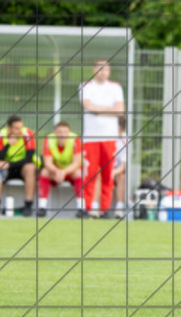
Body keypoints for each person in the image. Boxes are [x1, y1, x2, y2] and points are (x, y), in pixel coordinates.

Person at [80, 60, 124, 218]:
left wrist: (98, 110)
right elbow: (88, 106)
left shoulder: (115, 87)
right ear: (94, 70)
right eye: (100, 69)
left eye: (106, 69)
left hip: (109, 138)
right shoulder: (85, 86)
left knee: (108, 174)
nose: (103, 72)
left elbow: (120, 110)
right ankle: (88, 207)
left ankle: (105, 209)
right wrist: (109, 109)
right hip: (91, 138)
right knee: (90, 173)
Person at [0, 114, 37, 216]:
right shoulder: (0, 135)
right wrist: (7, 145)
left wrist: (10, 164)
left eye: (20, 127)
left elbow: (29, 158)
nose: (19, 131)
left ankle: (28, 205)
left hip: (21, 168)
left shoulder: (28, 134)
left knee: (30, 167)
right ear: (9, 128)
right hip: (5, 170)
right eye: (16, 128)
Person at [38, 121, 84, 218]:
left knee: (78, 173)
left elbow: (76, 163)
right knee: (44, 172)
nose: (62, 134)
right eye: (59, 132)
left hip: (69, 171)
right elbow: (47, 163)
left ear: (69, 133)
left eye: (65, 132)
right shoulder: (49, 139)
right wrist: (58, 172)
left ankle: (81, 208)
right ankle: (41, 207)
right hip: (55, 171)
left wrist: (63, 172)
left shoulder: (75, 139)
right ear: (55, 133)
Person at [112, 116, 129, 219]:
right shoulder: (103, 136)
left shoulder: (124, 140)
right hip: (102, 170)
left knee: (122, 177)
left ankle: (119, 208)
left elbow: (122, 166)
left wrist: (112, 173)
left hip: (115, 171)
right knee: (98, 176)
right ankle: (96, 210)